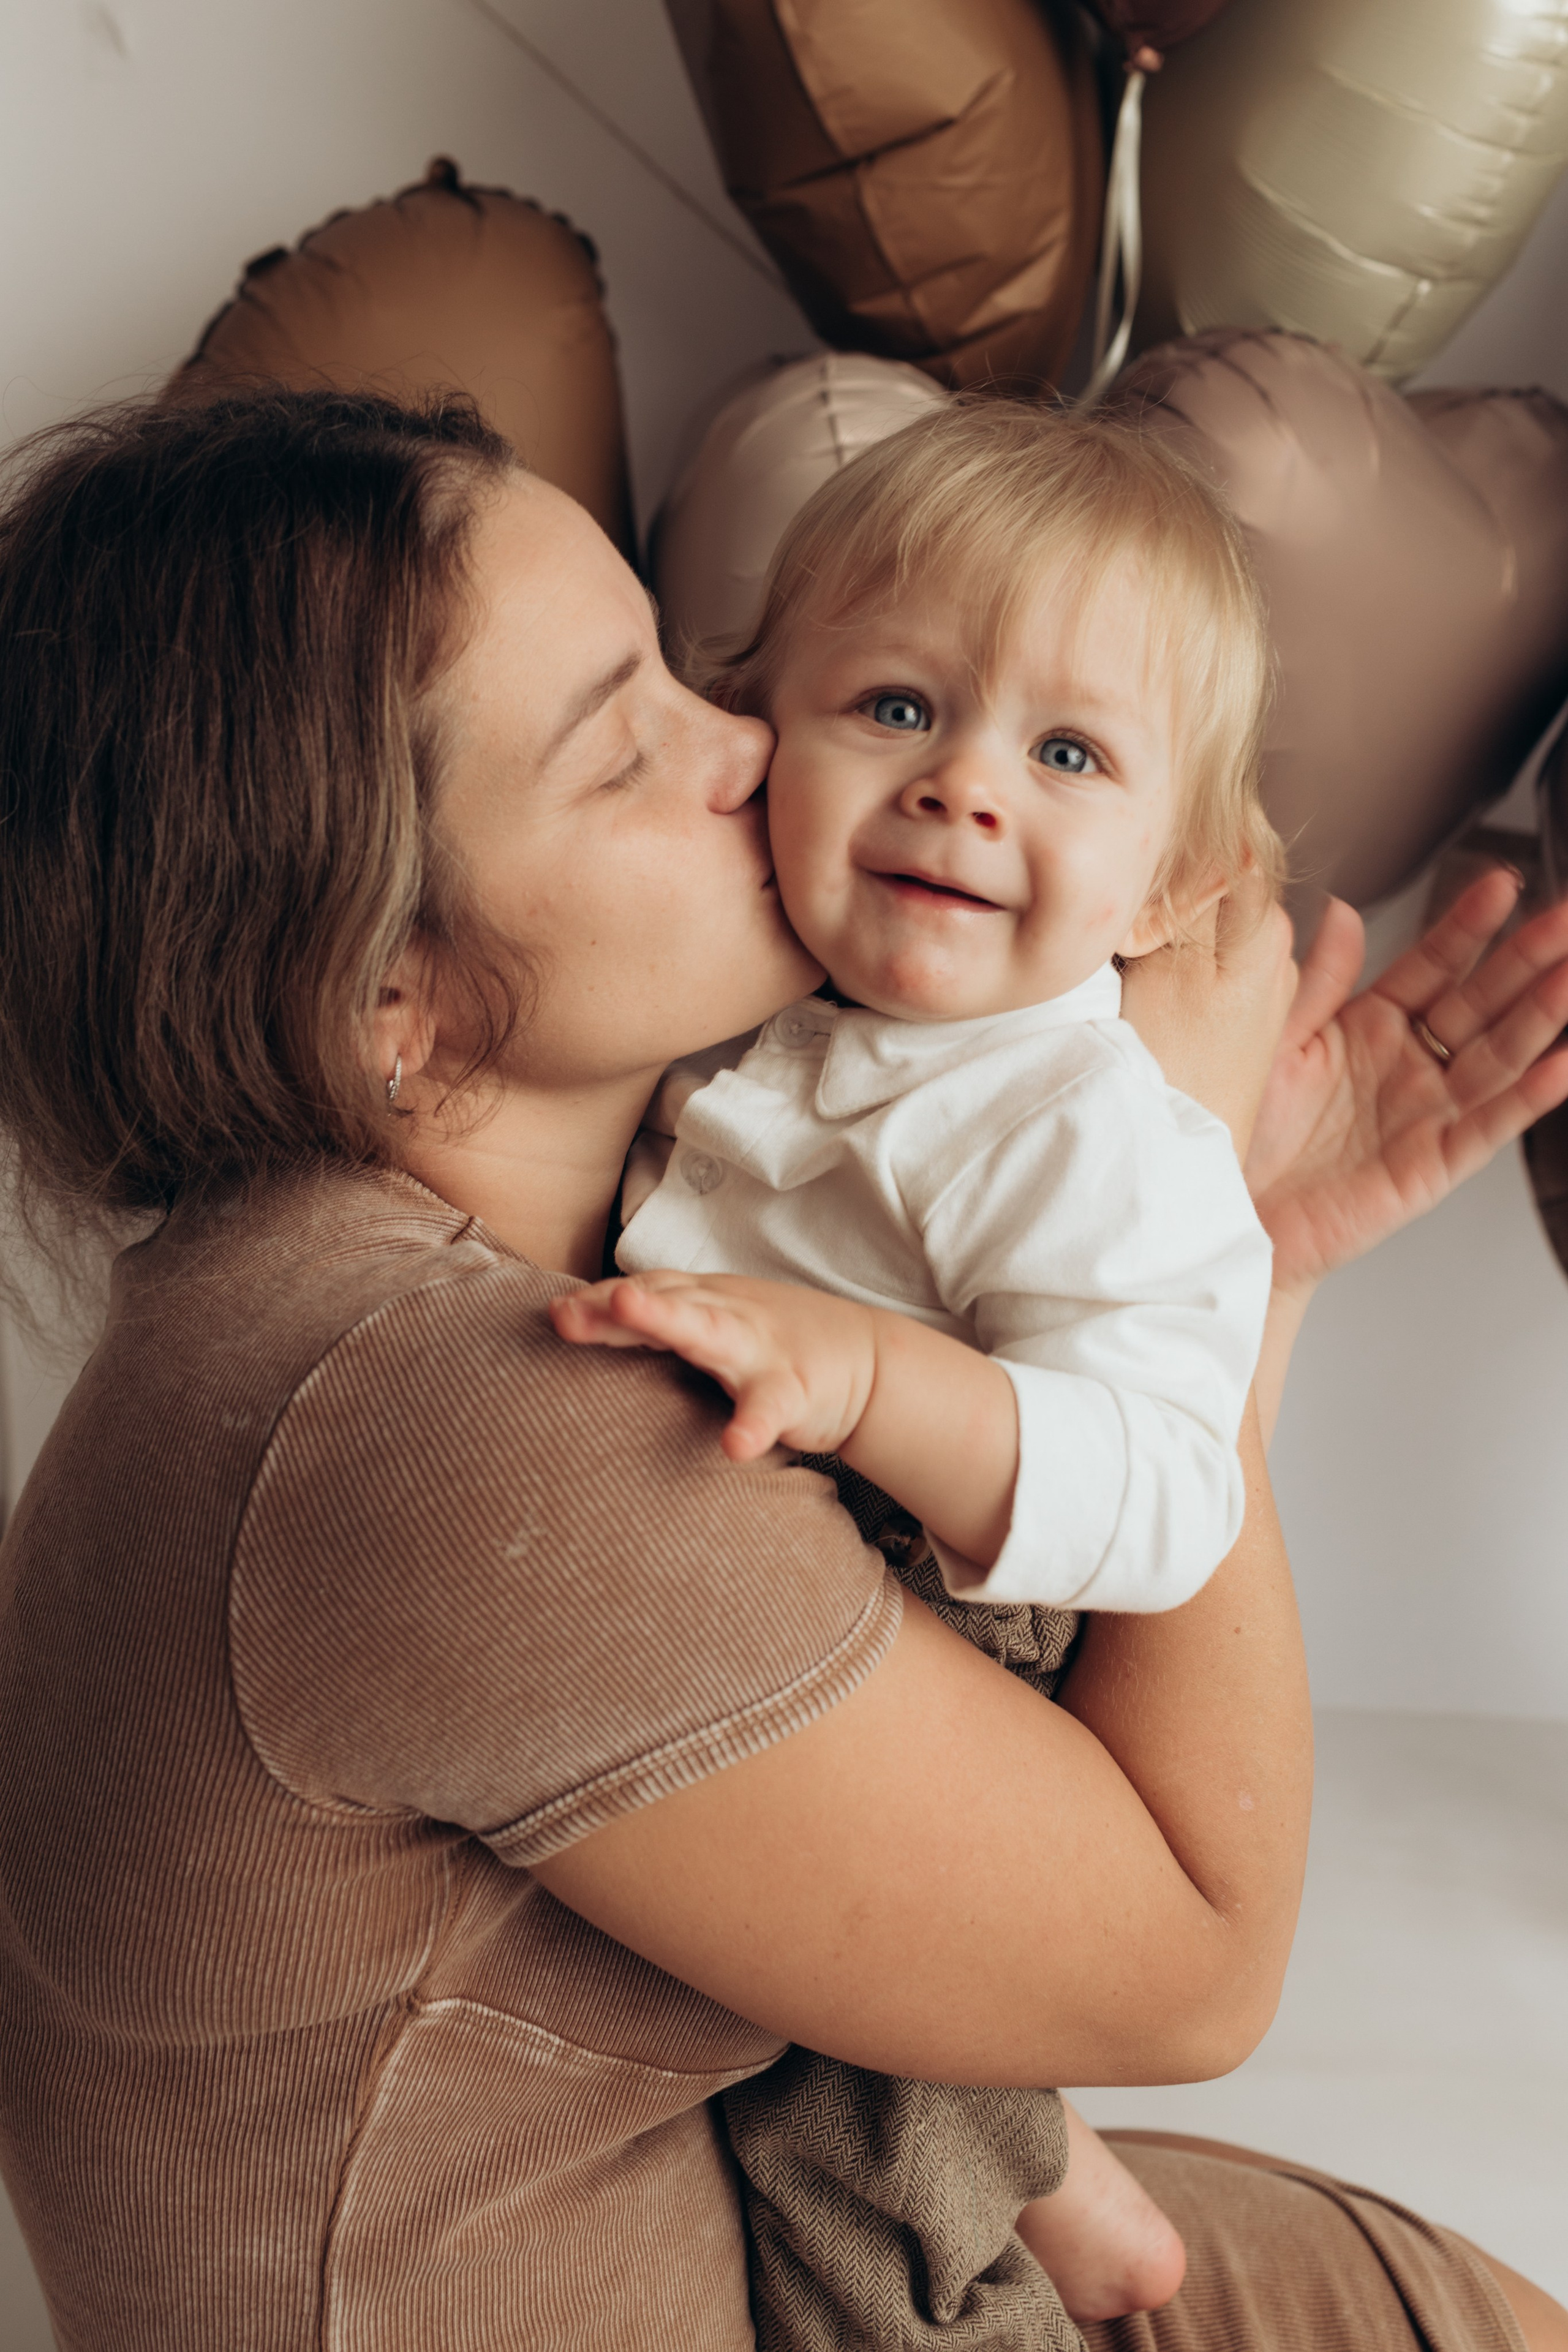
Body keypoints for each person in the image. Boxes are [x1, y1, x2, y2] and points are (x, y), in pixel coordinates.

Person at [0, 388, 1564, 2352]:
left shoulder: (382, 1271)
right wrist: (1190, 1212)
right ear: (386, 996)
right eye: (628, 741)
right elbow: (1194, 1964)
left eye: (684, 665)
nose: (758, 740)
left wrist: (1187, 1246)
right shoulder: (465, 1424)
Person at [559, 400, 1289, 2335]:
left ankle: (997, 2257)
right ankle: (1055, 2170)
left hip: (955, 1636)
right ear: (761, 731)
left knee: (833, 2146)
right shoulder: (750, 1007)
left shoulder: (1085, 1131)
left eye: (1067, 754)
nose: (968, 788)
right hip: (770, 1591)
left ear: (1166, 892)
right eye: (894, 707)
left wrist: (882, 1383)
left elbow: (1163, 1486)